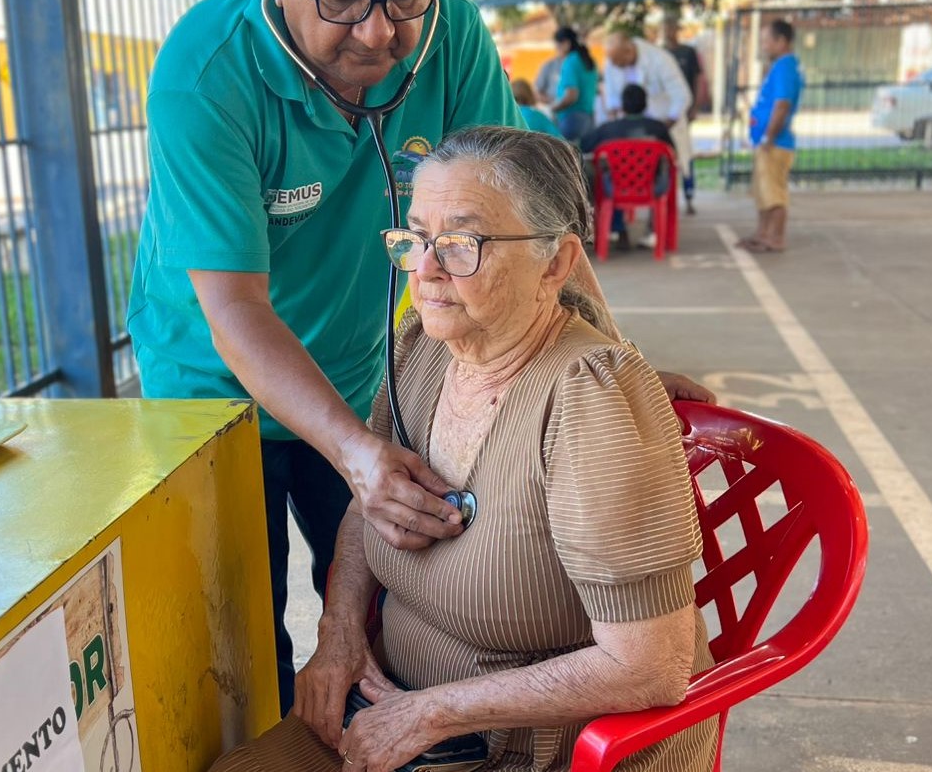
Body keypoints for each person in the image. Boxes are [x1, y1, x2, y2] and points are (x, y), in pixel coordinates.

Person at [127, 0, 712, 718]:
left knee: (383, 601)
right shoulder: (205, 75)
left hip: (362, 371)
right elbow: (236, 309)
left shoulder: (454, 36)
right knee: (237, 652)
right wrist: (355, 452)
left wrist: (613, 370)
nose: (380, 32)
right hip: (215, 392)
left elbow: (532, 225)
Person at [209, 126, 719, 772]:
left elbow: (651, 664)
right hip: (398, 711)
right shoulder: (421, 348)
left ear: (555, 264)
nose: (424, 270)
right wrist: (338, 632)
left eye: (460, 244)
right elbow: (368, 505)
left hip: (531, 748)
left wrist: (431, 714)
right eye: (416, 238)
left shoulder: (590, 399)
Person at [738, 19, 804, 253]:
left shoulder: (785, 68)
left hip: (775, 143)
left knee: (773, 193)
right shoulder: (779, 67)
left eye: (766, 41)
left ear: (781, 41)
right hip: (766, 141)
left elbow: (782, 105)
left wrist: (769, 137)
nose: (763, 46)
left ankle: (775, 237)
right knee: (763, 192)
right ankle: (763, 233)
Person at [582, 84, 676, 248]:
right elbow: (673, 156)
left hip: (614, 188)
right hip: (653, 187)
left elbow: (584, 146)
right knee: (661, 171)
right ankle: (653, 232)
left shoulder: (607, 129)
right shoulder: (658, 128)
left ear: (622, 105)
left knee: (608, 173)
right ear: (645, 104)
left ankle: (616, 228)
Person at [662, 15, 707, 215]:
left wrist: (694, 107)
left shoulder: (688, 52)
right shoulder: (660, 54)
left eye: (670, 27)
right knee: (665, 154)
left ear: (676, 29)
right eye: (664, 28)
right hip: (665, 115)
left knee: (686, 154)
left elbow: (697, 79)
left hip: (683, 113)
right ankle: (664, 198)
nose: (667, 32)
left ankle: (689, 196)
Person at [547, 26, 598, 141]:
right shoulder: (588, 60)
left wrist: (554, 108)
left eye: (557, 46)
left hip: (571, 119)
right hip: (588, 119)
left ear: (566, 44)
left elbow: (571, 95)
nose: (557, 51)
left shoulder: (571, 61)